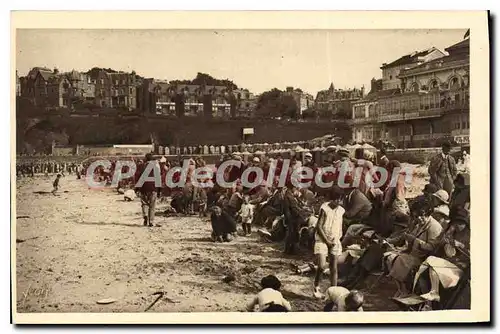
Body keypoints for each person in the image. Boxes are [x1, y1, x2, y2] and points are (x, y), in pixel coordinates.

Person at [383, 199, 443, 297]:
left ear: (428, 214)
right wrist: (391, 241)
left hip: (423, 258)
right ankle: (401, 288)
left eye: (421, 216)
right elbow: (407, 235)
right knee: (388, 256)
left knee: (396, 259)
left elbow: (431, 248)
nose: (418, 218)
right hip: (412, 253)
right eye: (416, 216)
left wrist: (415, 240)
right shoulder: (420, 223)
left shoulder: (434, 227)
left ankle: (404, 290)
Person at [313, 186, 345, 298]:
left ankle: (333, 291)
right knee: (321, 266)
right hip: (322, 239)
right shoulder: (324, 208)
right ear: (331, 198)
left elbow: (339, 225)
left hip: (335, 240)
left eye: (340, 200)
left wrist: (337, 238)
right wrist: (326, 241)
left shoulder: (341, 210)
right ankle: (316, 286)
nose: (338, 202)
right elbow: (319, 226)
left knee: (334, 267)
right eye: (336, 199)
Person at [135, 153, 160, 227]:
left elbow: (139, 178)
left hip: (144, 188)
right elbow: (158, 178)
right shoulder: (156, 167)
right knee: (152, 206)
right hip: (153, 188)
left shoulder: (142, 166)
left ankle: (145, 215)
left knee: (144, 204)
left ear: (146, 159)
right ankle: (151, 221)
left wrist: (136, 188)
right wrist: (159, 190)